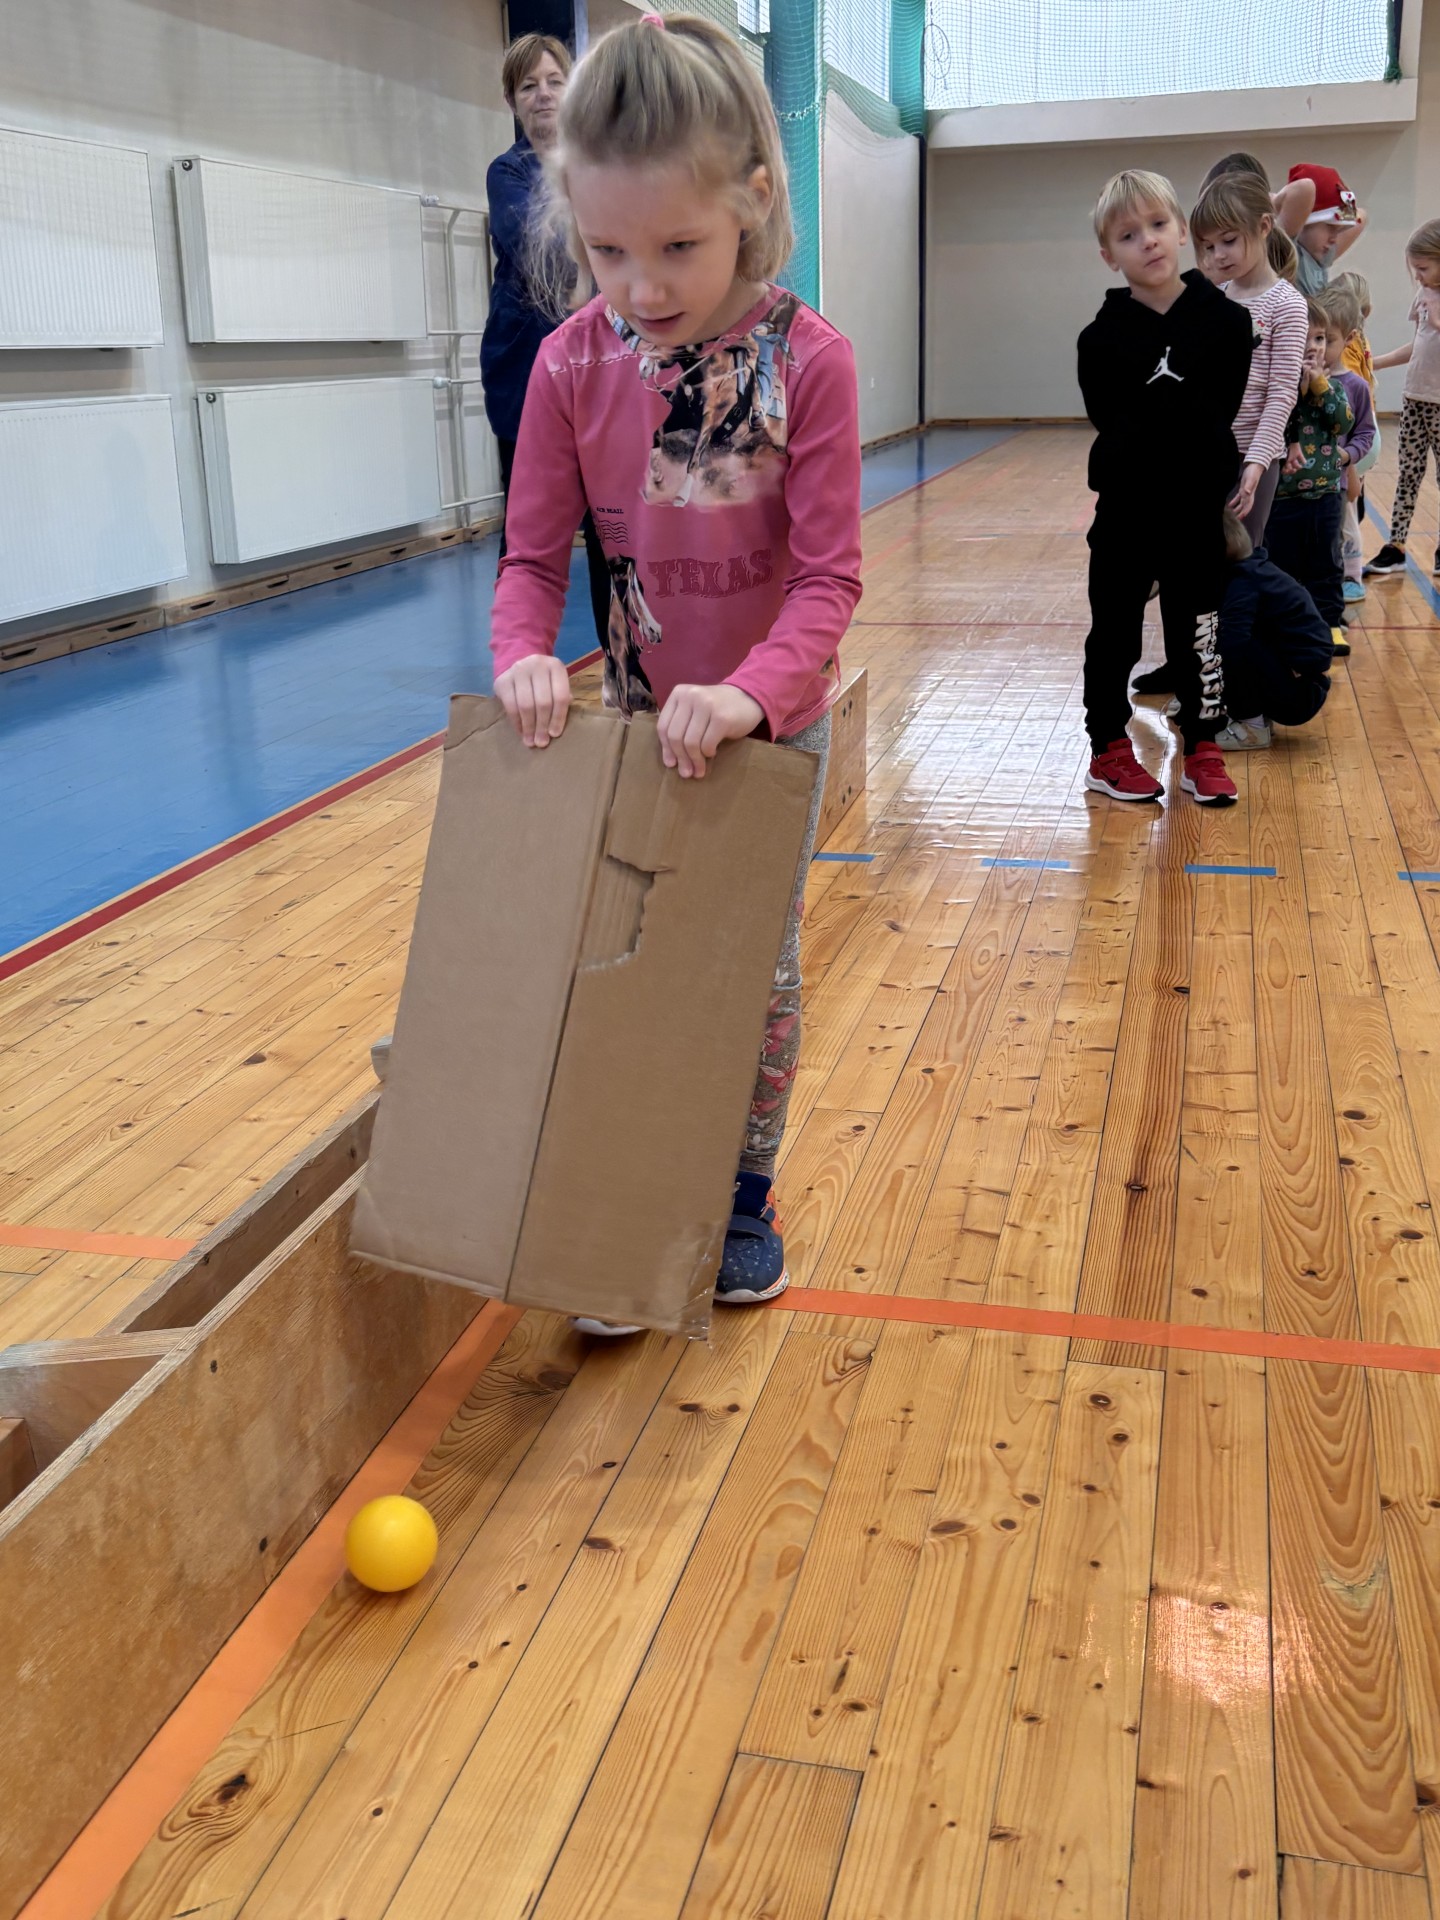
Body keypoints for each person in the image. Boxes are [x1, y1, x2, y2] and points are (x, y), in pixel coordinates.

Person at [488, 11, 862, 1331]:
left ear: (752, 199)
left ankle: (744, 1196)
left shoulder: (810, 362)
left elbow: (828, 583)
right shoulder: (569, 363)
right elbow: (531, 558)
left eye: (678, 249)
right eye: (607, 252)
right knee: (630, 953)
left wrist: (752, 693)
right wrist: (523, 657)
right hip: (639, 724)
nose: (641, 286)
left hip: (769, 730)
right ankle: (644, 1191)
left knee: (751, 969)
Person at [1077, 169, 1254, 807]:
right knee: (1114, 635)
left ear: (1182, 231)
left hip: (1195, 513)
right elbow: (1112, 421)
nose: (1147, 241)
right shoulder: (1099, 339)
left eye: (1157, 225)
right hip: (1126, 512)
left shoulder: (1229, 324)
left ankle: (1202, 745)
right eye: (1128, 235)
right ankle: (1108, 747)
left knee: (1198, 633)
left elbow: (1216, 414)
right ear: (1109, 255)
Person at [480, 32, 609, 644]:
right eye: (528, 86)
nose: (543, 95)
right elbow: (540, 246)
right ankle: (518, 654)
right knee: (527, 530)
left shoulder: (602, 166)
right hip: (524, 374)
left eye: (555, 81)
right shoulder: (507, 173)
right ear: (513, 101)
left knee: (612, 525)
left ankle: (625, 662)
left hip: (600, 375)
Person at [1168, 511, 1332, 749]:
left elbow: (1231, 646)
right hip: (1302, 685)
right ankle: (1256, 716)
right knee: (1230, 637)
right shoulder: (1255, 569)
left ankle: (1251, 727)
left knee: (1229, 644)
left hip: (1298, 695)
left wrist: (1204, 696)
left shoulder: (1244, 582)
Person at [1266, 301, 1353, 653]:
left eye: (1320, 338)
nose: (1314, 346)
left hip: (1325, 495)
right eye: (1306, 337)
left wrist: (1320, 386)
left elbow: (1342, 422)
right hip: (1283, 498)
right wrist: (1297, 390)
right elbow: (1279, 422)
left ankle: (1329, 624)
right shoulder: (1279, 389)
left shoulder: (1332, 388)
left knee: (1327, 564)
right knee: (1282, 566)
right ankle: (1288, 625)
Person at [1364, 218, 1440, 579]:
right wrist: (1375, 362)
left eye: (1423, 268)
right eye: (1415, 270)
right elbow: (1419, 345)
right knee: (1408, 472)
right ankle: (1395, 545)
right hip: (1414, 399)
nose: (1418, 277)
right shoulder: (1422, 297)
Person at [1314, 283, 1377, 615]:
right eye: (1315, 338)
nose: (1318, 348)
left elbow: (1365, 433)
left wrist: (1348, 456)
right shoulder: (1300, 376)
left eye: (1328, 340)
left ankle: (1343, 590)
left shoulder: (1355, 386)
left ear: (1349, 338)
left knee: (1335, 540)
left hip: (1334, 483)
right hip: (1298, 485)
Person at [1333, 268, 1380, 601]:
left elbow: (1347, 403)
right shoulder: (1360, 338)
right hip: (1367, 431)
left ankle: (1352, 576)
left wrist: (1349, 464)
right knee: (1349, 503)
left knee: (1346, 506)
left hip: (1355, 436)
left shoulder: (1346, 348)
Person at [1286, 163, 1368, 298]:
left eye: (1339, 230)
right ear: (1304, 220)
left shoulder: (1321, 255)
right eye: (1330, 227)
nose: (1334, 239)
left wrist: (1343, 207)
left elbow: (1362, 216)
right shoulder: (1288, 251)